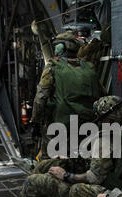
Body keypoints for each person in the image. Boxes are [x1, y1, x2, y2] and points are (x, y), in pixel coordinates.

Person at [19, 96, 122, 197]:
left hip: (94, 190)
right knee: (45, 165)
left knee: (33, 182)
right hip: (112, 187)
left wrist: (65, 175)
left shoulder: (105, 140)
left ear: (107, 119)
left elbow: (94, 177)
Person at [30, 30, 104, 161]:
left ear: (60, 47)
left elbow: (41, 97)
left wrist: (36, 121)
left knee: (51, 163)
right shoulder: (89, 68)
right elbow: (102, 94)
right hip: (86, 124)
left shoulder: (53, 66)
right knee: (81, 161)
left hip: (59, 125)